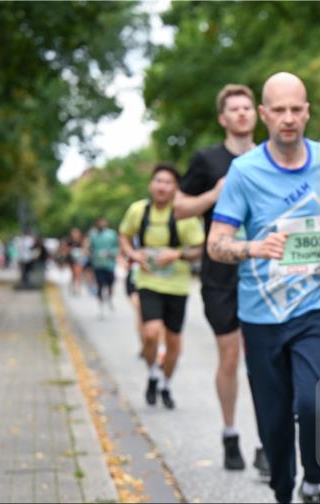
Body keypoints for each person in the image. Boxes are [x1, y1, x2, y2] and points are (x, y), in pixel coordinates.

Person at [208, 72, 320, 504]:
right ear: (265, 115)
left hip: (314, 307)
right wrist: (255, 247)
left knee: (313, 403)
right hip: (261, 314)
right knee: (273, 420)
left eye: (297, 109)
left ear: (307, 111)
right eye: (279, 110)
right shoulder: (245, 172)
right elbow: (216, 244)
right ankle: (281, 498)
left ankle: (313, 486)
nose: (289, 118)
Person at [178, 83, 268, 476]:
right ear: (223, 118)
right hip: (221, 273)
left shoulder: (271, 158)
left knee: (263, 360)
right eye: (234, 108)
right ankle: (231, 433)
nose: (242, 113)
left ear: (257, 113)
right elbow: (179, 208)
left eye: (248, 107)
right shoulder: (207, 159)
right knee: (230, 357)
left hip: (264, 270)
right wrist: (214, 194)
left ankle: (267, 442)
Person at [118, 164, 206, 411]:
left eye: (168, 182)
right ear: (150, 184)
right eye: (158, 180)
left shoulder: (184, 216)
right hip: (148, 282)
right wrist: (133, 255)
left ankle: (165, 383)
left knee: (174, 341)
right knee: (151, 333)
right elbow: (123, 235)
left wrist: (176, 254)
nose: (162, 186)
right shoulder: (138, 211)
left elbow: (199, 248)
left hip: (177, 286)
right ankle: (153, 372)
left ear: (176, 188)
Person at [88, 217, 119, 315]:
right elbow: (90, 249)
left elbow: (117, 247)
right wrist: (93, 256)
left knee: (110, 284)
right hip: (98, 265)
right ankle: (100, 307)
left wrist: (110, 253)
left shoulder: (111, 234)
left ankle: (110, 299)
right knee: (100, 285)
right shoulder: (93, 235)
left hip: (109, 264)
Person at [64, 227, 85, 296]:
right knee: (74, 274)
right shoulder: (69, 240)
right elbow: (65, 248)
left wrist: (81, 252)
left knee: (78, 273)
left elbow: (84, 248)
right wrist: (70, 250)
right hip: (71, 259)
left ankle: (77, 287)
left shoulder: (81, 240)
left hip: (79, 259)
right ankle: (74, 287)